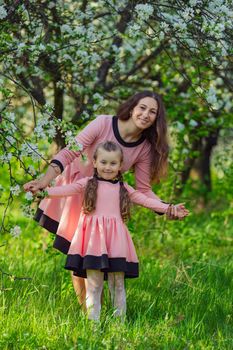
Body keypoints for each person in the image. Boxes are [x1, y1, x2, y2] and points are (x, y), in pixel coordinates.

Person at [23, 91, 185, 308]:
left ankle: (100, 310)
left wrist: (167, 208)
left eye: (152, 112)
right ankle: (88, 313)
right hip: (75, 190)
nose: (146, 114)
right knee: (79, 252)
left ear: (157, 118)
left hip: (102, 199)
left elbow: (143, 191)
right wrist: (45, 181)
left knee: (93, 256)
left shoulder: (144, 148)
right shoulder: (103, 123)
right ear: (132, 107)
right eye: (142, 108)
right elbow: (70, 152)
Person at [42, 141, 188, 321]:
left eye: (113, 163)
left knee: (118, 285)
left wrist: (169, 208)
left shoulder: (123, 188)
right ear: (94, 162)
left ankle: (119, 328)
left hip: (116, 242)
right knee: (94, 286)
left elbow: (145, 200)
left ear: (120, 166)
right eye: (103, 162)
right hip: (92, 243)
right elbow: (64, 190)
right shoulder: (86, 183)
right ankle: (93, 328)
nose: (108, 167)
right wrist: (42, 191)